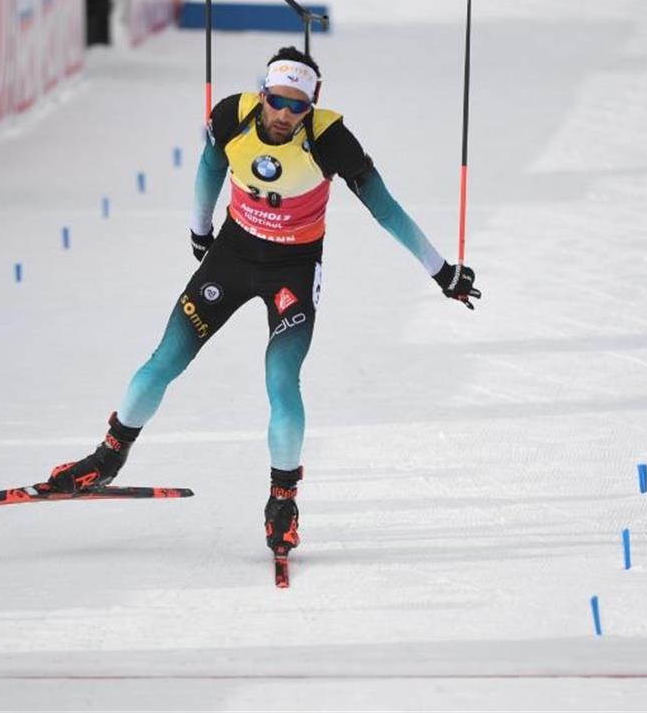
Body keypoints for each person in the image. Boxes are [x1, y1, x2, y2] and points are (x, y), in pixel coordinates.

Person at [48, 46, 480, 558]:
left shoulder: (331, 140)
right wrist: (199, 228)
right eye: (276, 101)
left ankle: (283, 502)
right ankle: (108, 456)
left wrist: (442, 271)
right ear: (262, 95)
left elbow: (385, 209)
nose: (283, 115)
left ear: (311, 106)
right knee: (162, 361)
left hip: (292, 273)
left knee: (281, 381)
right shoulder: (231, 116)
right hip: (231, 258)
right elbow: (211, 166)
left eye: (297, 107)